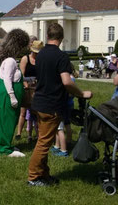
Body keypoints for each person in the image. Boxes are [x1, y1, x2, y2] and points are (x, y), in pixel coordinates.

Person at [28, 23, 92, 186]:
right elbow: (66, 81)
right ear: (61, 38)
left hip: (39, 102)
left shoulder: (40, 55)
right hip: (52, 104)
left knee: (44, 140)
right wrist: (81, 93)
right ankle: (34, 177)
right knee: (43, 143)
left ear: (47, 36)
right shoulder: (61, 56)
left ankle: (44, 174)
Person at [0, 29, 30, 157]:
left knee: (4, 119)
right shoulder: (10, 61)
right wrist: (12, 96)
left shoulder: (9, 59)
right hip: (7, 93)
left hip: (5, 92)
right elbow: (8, 79)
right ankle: (5, 148)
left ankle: (3, 142)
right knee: (7, 119)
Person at [15, 40, 43, 141]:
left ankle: (37, 134)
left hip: (36, 88)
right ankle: (19, 133)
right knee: (23, 112)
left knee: (36, 112)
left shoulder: (40, 60)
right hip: (26, 87)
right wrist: (25, 84)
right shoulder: (25, 59)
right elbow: (21, 74)